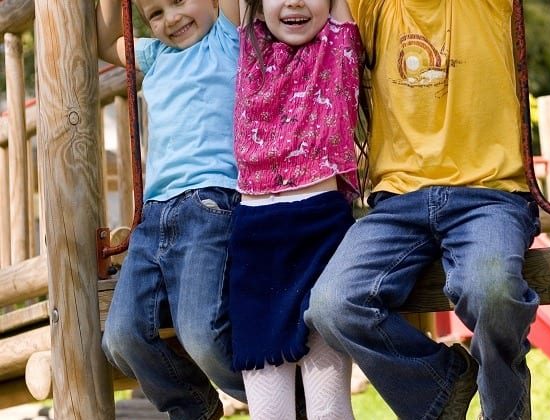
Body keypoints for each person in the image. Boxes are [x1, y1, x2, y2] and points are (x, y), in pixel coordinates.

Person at [305, 1, 541, 419]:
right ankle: (441, 387)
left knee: (492, 290)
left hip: (489, 193)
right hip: (398, 202)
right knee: (333, 304)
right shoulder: (373, 7)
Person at [96, 0, 245, 418]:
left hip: (211, 205)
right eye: (155, 12)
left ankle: (284, 400)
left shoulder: (226, 37)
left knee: (201, 335)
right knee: (121, 337)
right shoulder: (156, 56)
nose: (171, 19)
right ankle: (195, 407)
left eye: (180, 1)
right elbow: (103, 41)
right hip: (153, 217)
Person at [227, 0, 363, 418]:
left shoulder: (338, 39)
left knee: (327, 409)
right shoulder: (251, 42)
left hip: (319, 230)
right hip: (255, 239)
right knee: (270, 412)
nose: (294, 2)